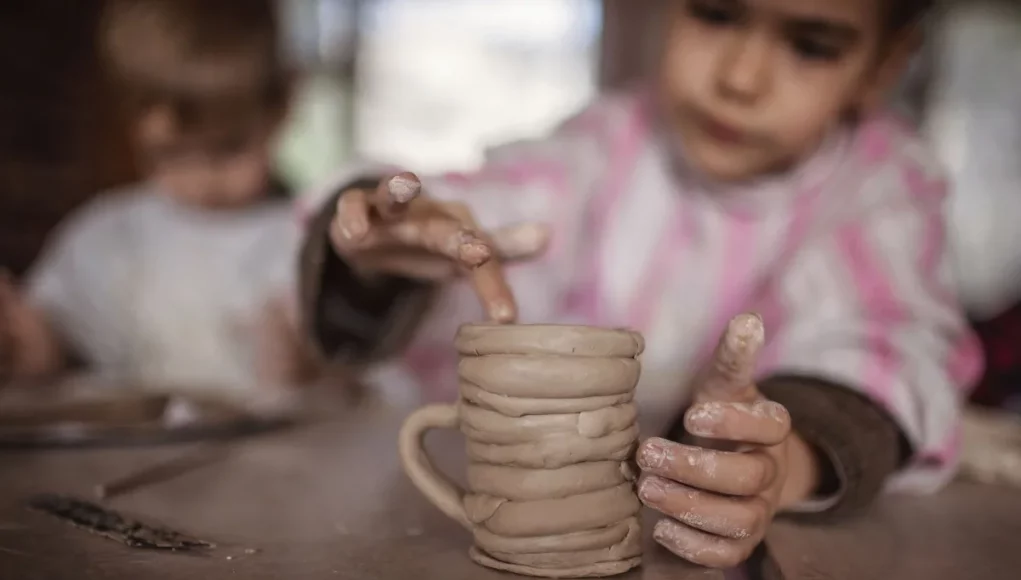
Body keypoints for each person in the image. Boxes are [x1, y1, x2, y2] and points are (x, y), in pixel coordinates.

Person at [296, 0, 983, 568]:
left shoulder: (881, 185)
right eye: (715, 15)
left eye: (810, 46)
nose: (740, 78)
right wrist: (392, 242)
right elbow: (496, 213)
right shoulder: (605, 145)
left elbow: (884, 339)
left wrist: (783, 458)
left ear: (883, 65)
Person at [0, 0, 316, 406]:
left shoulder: (303, 241)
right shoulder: (107, 235)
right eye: (170, 154)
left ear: (284, 105)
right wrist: (21, 342)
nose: (202, 180)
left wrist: (301, 367)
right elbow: (53, 349)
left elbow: (351, 390)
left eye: (227, 149)